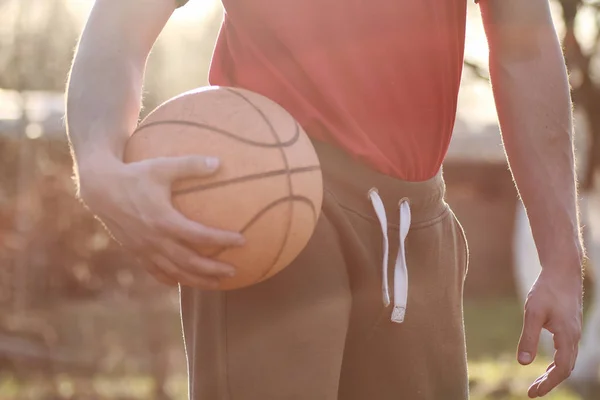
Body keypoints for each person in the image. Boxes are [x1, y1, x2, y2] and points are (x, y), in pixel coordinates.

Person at [65, 0, 584, 398]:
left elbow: (526, 45)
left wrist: (561, 259)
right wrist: (97, 161)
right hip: (270, 208)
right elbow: (121, 20)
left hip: (419, 224)